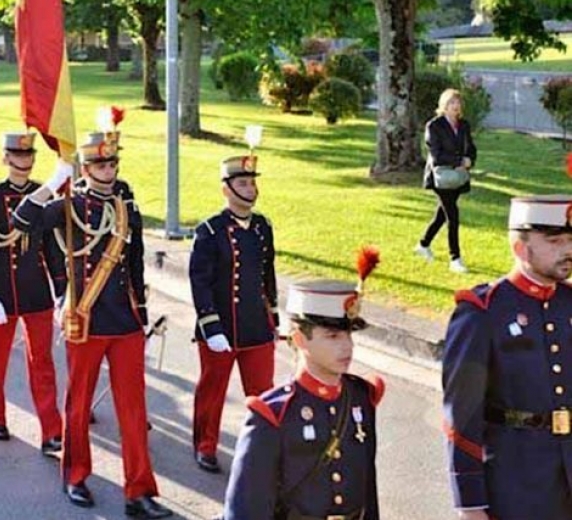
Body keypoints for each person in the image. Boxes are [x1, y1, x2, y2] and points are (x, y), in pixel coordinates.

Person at [14, 127, 172, 518]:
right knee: (79, 404)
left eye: (113, 161)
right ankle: (75, 476)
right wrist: (53, 182)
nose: (108, 168)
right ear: (85, 166)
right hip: (85, 317)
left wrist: (144, 319)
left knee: (133, 410)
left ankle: (139, 490)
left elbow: (134, 268)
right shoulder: (69, 205)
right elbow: (22, 221)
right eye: (100, 162)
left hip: (125, 321)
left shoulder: (127, 207)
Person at [223, 254, 384, 520]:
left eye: (348, 334)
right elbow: (245, 511)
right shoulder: (272, 415)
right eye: (333, 336)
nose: (347, 346)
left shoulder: (361, 398)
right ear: (300, 340)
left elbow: (368, 491)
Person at [442, 195, 572, 520]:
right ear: (520, 248)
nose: (567, 250)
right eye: (554, 241)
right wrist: (470, 504)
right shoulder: (482, 312)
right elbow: (461, 415)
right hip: (516, 483)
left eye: (571, 239)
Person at [0, 132, 64, 453]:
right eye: (17, 156)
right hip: (2, 289)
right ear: (5, 158)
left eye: (28, 156)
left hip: (36, 289)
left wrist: (62, 290)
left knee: (43, 362)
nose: (24, 161)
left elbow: (53, 249)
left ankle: (52, 429)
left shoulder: (44, 197)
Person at [189, 153, 279, 474]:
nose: (251, 189)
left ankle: (264, 448)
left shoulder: (262, 227)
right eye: (243, 183)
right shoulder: (209, 231)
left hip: (256, 326)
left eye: (253, 182)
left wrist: (275, 318)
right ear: (226, 189)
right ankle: (205, 445)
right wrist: (211, 328)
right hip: (221, 329)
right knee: (212, 391)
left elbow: (267, 274)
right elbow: (199, 283)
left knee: (264, 394)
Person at [415, 88, 477, 273]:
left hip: (458, 177)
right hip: (440, 177)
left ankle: (423, 245)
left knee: (442, 215)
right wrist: (458, 161)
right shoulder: (434, 126)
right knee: (453, 216)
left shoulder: (464, 125)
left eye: (458, 103)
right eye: (451, 103)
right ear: (444, 105)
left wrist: (469, 160)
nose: (455, 106)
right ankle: (455, 258)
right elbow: (436, 155)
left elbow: (471, 148)